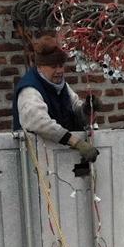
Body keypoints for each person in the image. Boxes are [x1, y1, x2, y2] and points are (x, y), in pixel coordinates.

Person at [12, 34, 99, 162]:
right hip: (36, 159)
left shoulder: (60, 85)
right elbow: (40, 123)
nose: (59, 71)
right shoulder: (29, 90)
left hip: (59, 156)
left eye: (61, 65)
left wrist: (86, 109)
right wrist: (76, 142)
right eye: (53, 66)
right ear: (40, 66)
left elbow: (74, 107)